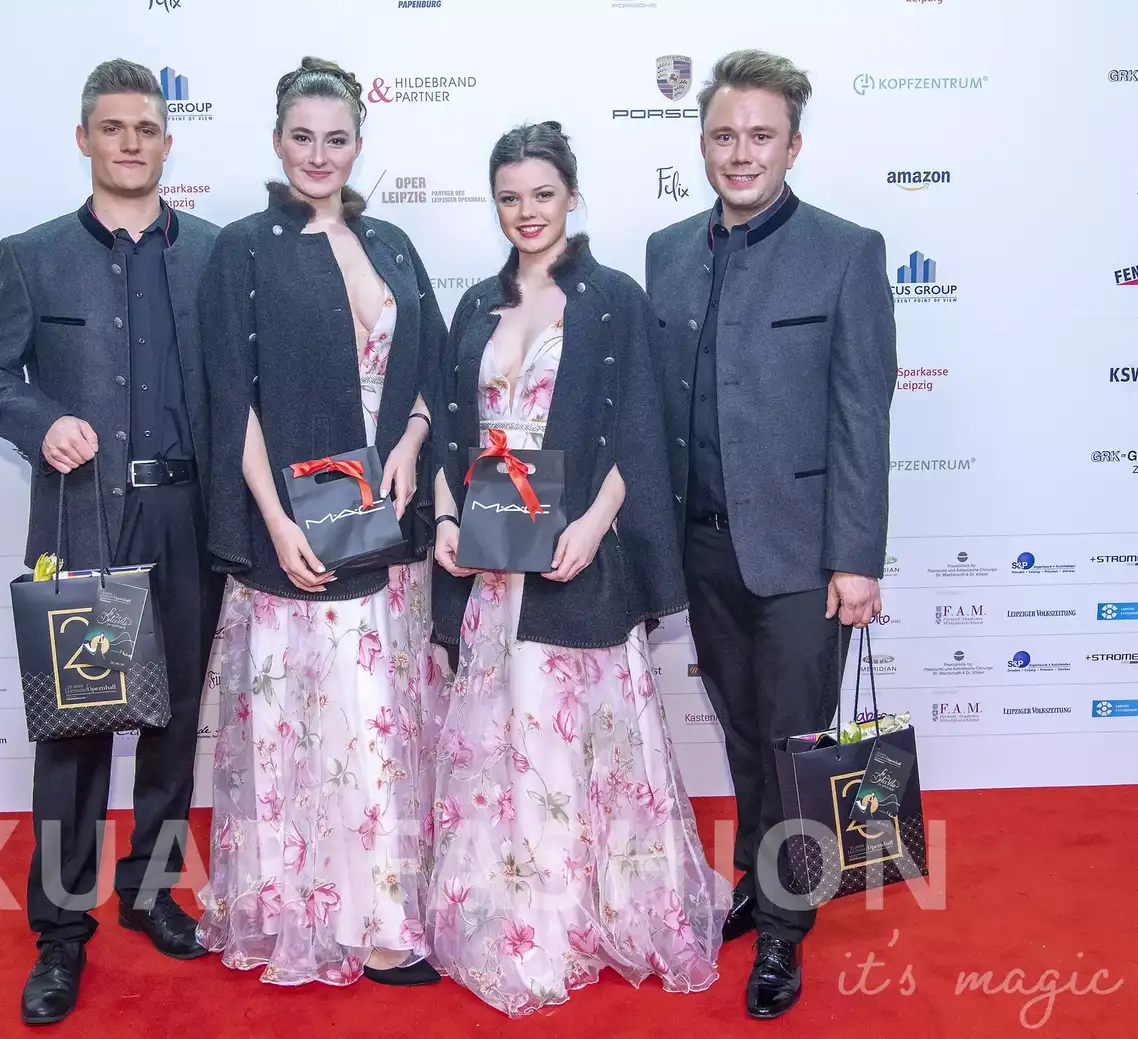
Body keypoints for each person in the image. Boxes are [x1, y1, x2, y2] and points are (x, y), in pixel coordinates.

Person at [426, 121, 730, 1018]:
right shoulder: (475, 304)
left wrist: (596, 525)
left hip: (577, 559)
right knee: (507, 737)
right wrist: (443, 513)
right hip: (493, 567)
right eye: (509, 197)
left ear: (572, 195)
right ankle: (523, 918)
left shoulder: (614, 299)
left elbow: (643, 427)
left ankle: (598, 910)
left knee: (576, 741)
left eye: (543, 194)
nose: (526, 212)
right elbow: (449, 429)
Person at [0, 59, 229, 1025]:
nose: (129, 142)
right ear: (84, 139)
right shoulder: (34, 256)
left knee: (174, 723)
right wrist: (41, 422)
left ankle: (150, 891)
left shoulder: (214, 254)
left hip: (187, 519)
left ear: (167, 142)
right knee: (77, 733)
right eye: (111, 127)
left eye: (145, 128)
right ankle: (62, 932)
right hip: (87, 522)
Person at [645, 50, 896, 1019]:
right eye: (723, 135)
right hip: (701, 548)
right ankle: (760, 877)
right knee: (745, 735)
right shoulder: (667, 250)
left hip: (801, 557)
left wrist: (855, 560)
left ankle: (787, 929)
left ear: (793, 145)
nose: (740, 153)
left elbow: (861, 416)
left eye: (760, 135)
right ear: (701, 143)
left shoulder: (846, 250)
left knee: (796, 744)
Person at [195, 56, 447, 989]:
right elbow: (233, 400)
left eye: (335, 139)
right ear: (276, 142)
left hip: (381, 529)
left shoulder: (392, 243)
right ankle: (305, 912)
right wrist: (272, 520)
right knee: (304, 733)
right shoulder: (243, 249)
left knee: (373, 729)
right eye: (301, 137)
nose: (317, 154)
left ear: (358, 145)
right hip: (293, 535)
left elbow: (433, 365)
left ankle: (381, 914)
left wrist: (413, 439)